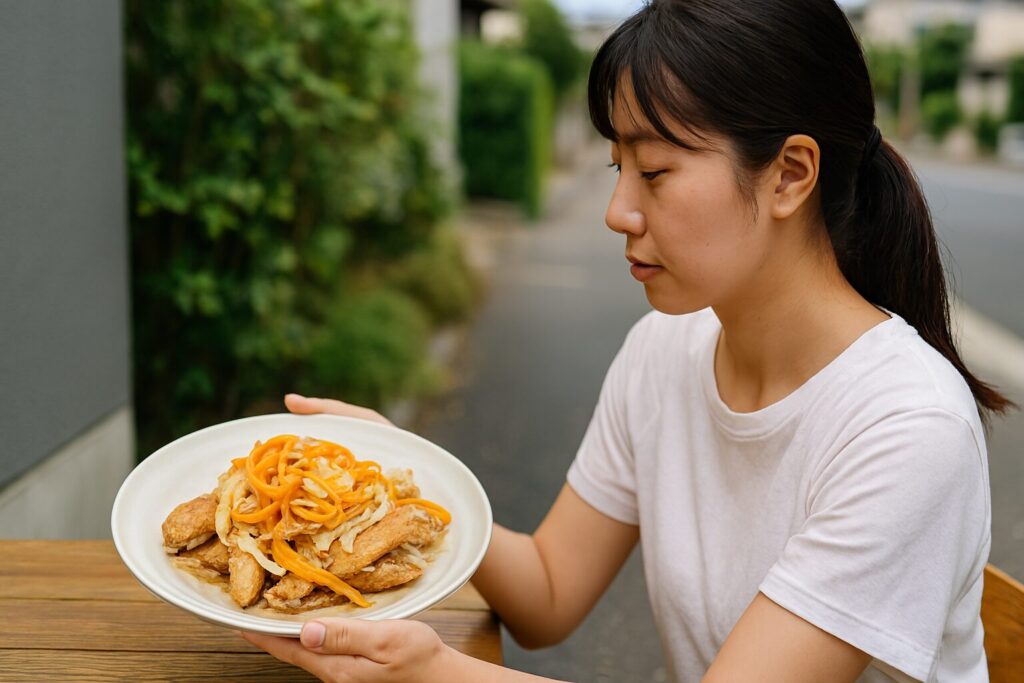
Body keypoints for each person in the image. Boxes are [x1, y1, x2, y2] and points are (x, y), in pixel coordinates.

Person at [241, 1, 1014, 681]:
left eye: (655, 170)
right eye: (619, 165)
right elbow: (546, 592)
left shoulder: (906, 427)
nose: (617, 209)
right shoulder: (664, 352)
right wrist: (405, 481)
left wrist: (432, 674)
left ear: (789, 175)